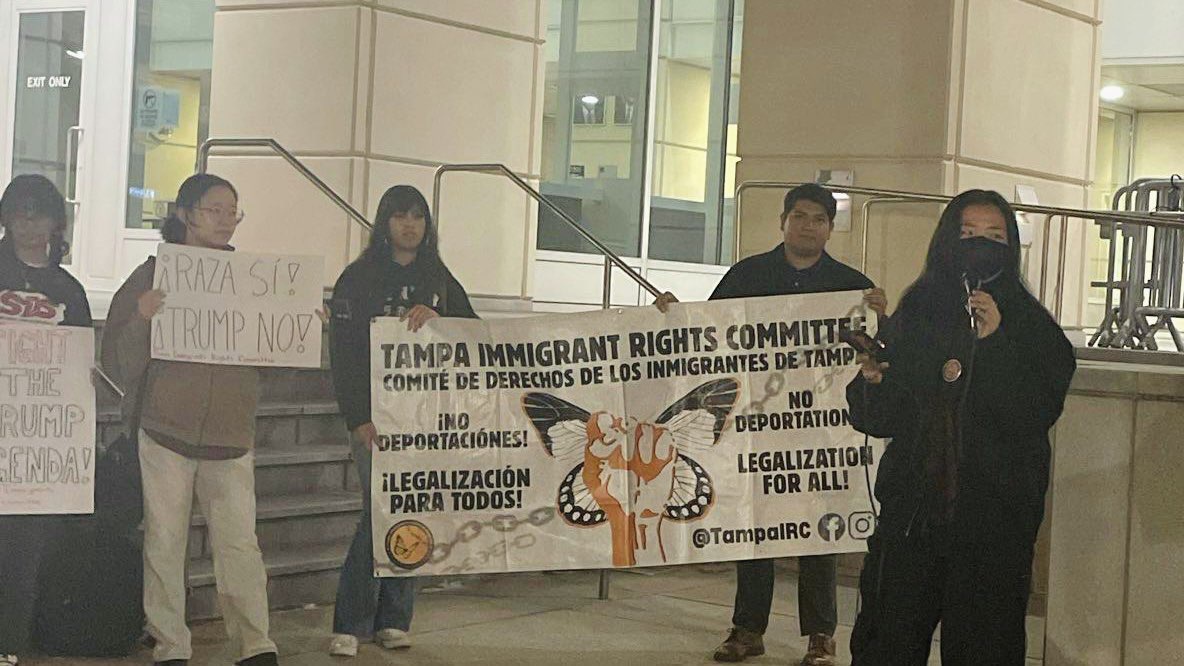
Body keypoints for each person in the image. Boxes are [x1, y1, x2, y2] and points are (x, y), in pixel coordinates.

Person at [657, 183, 887, 666]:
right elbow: (706, 332)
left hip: (822, 432)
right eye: (800, 216)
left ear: (830, 227)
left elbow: (875, 354)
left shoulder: (851, 287)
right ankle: (747, 629)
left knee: (821, 530)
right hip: (756, 429)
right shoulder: (747, 275)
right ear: (783, 221)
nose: (808, 226)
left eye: (818, 219)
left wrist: (881, 315)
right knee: (754, 526)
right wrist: (673, 315)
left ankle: (821, 635)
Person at [846, 190, 1075, 664]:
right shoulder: (917, 313)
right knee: (889, 637)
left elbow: (1034, 412)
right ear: (947, 239)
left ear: (1012, 246)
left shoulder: (1033, 328)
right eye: (967, 233)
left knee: (984, 644)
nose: (980, 245)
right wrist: (871, 381)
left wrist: (993, 346)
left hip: (993, 524)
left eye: (995, 236)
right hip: (912, 517)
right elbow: (878, 416)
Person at [101, 174, 279, 666]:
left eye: (233, 211)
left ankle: (254, 641)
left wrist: (300, 326)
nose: (225, 221)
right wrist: (140, 317)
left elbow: (271, 355)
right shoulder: (150, 275)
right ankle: (170, 643)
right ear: (184, 213)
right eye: (214, 210)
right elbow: (117, 363)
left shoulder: (253, 280)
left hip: (230, 432)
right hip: (165, 429)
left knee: (241, 545)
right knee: (164, 542)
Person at [326, 185, 477, 658]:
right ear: (384, 223)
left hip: (423, 421)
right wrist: (357, 418)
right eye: (399, 217)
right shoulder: (359, 277)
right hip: (374, 419)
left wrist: (439, 318)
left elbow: (473, 331)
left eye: (417, 217)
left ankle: (395, 617)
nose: (409, 225)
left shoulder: (439, 276)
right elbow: (344, 353)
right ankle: (350, 620)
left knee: (411, 510)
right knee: (376, 514)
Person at [0, 175, 92, 666]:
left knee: (25, 547)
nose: (27, 224)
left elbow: (81, 366)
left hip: (38, 445)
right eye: (18, 213)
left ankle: (9, 643)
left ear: (57, 222)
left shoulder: (68, 290)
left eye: (37, 214)